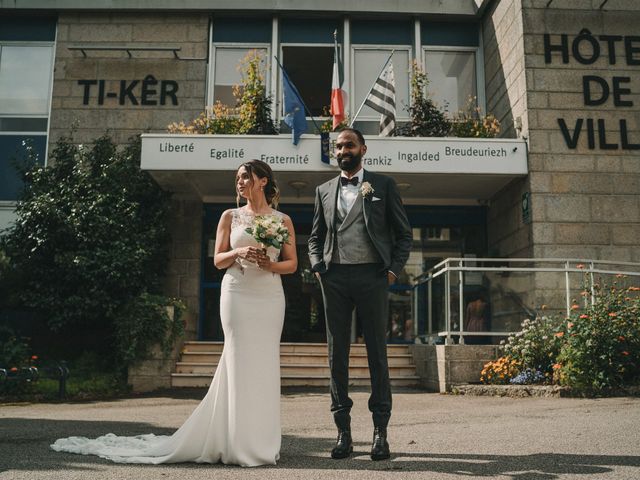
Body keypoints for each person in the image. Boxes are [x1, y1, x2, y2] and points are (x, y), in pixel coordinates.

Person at [51, 159, 297, 466]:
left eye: (246, 177)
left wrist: (269, 264)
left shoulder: (282, 219)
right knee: (238, 359)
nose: (240, 182)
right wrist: (239, 252)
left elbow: (292, 264)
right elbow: (218, 260)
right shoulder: (229, 216)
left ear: (263, 181)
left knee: (264, 364)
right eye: (237, 178)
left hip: (269, 296)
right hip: (237, 293)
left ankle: (261, 442)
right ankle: (235, 440)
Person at [308, 128, 412, 461]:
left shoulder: (383, 185)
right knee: (336, 354)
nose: (343, 150)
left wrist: (393, 270)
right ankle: (343, 433)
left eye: (349, 144)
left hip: (372, 277)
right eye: (338, 146)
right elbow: (315, 237)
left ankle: (380, 432)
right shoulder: (323, 190)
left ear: (363, 149)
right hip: (334, 277)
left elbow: (403, 235)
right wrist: (317, 267)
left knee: (377, 355)